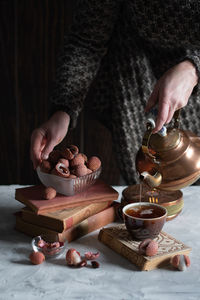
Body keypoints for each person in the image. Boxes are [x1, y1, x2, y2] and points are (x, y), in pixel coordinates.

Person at [30, 0, 200, 185]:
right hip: (138, 82)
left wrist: (193, 69)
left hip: (188, 77)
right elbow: (87, 40)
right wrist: (63, 109)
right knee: (153, 184)